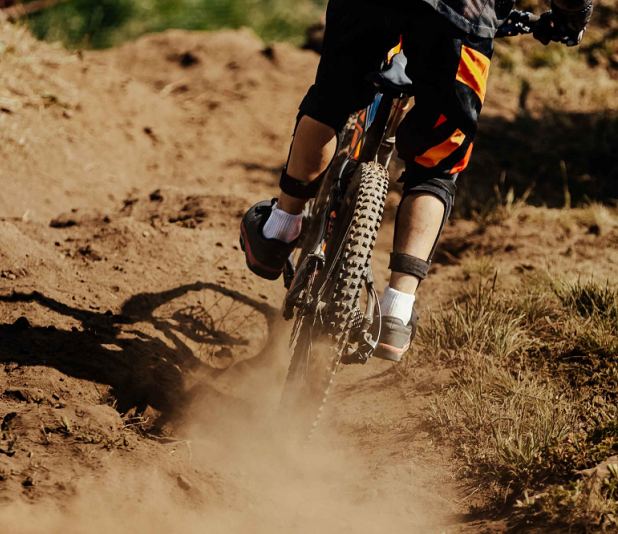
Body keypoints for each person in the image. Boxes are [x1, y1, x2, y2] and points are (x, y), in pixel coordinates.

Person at [240, 0, 594, 361]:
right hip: (463, 16)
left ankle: (279, 230)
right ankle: (396, 309)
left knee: (330, 102)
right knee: (437, 165)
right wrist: (569, 17)